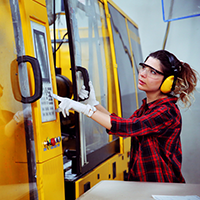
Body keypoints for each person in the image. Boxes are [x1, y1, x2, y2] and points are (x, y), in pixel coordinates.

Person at [52, 50, 198, 183]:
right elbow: (124, 124)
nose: (143, 74)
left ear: (168, 82)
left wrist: (84, 109)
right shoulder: (146, 108)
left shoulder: (167, 111)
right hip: (144, 186)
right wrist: (94, 104)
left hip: (161, 187)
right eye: (144, 67)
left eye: (153, 72)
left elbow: (127, 127)